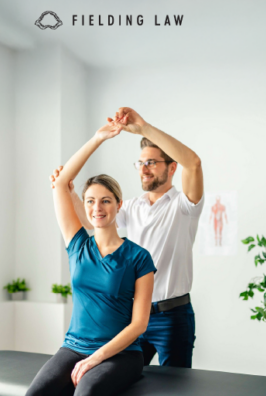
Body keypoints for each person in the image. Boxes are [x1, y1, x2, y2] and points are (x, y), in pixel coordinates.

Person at [51, 107, 204, 368]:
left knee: (175, 389)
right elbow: (93, 219)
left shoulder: (184, 204)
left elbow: (194, 163)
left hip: (172, 316)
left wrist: (143, 127)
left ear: (172, 167)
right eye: (141, 163)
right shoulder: (131, 206)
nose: (144, 169)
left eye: (152, 163)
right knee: (123, 385)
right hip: (132, 316)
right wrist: (71, 193)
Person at [27, 120, 156, 396]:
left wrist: (96, 358)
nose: (97, 208)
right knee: (35, 394)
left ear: (119, 204)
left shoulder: (139, 257)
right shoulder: (77, 245)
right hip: (73, 346)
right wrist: (98, 138)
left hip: (122, 354)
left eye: (106, 200)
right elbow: (61, 183)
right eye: (90, 201)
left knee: (85, 393)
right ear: (84, 205)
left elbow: (139, 325)